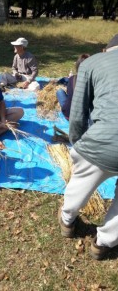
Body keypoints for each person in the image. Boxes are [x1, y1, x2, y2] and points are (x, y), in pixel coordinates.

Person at [58, 34, 118, 260]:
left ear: (106, 50)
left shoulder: (92, 63)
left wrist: (78, 144)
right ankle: (103, 244)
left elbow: (78, 112)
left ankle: (67, 221)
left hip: (101, 143)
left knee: (80, 184)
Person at [56, 54, 90, 120]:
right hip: (84, 117)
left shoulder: (72, 79)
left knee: (60, 92)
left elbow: (69, 93)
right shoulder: (94, 80)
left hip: (69, 115)